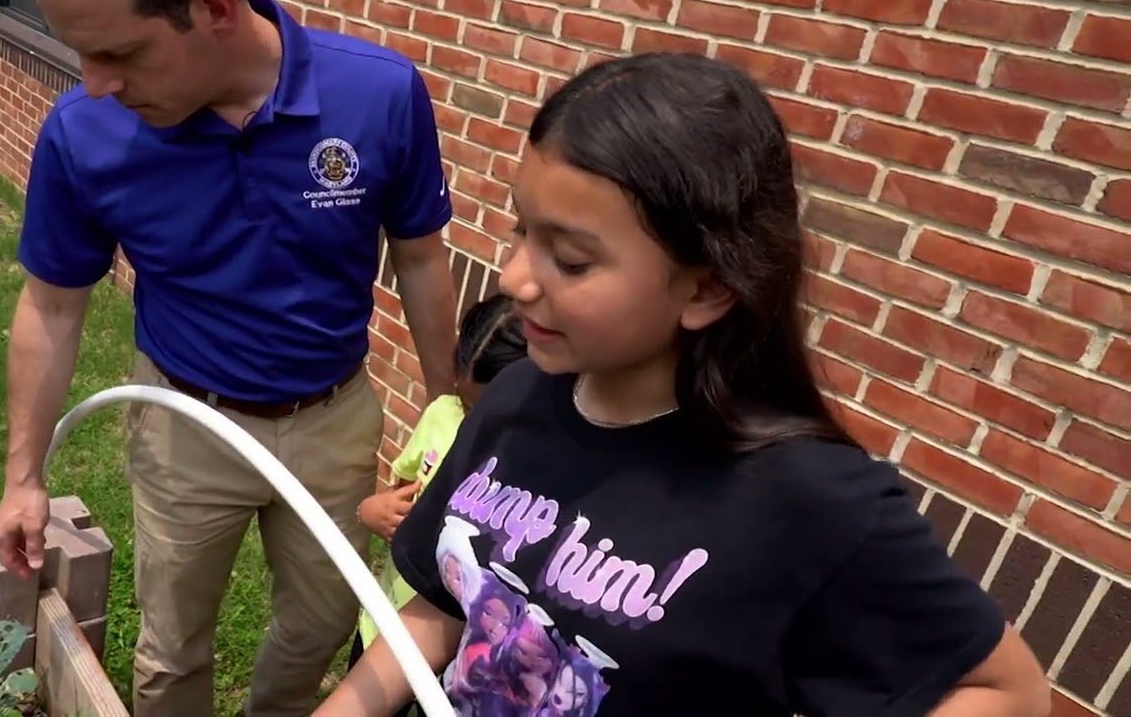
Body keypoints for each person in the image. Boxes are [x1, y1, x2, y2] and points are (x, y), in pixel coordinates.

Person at [313, 53, 1053, 716]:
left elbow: (1007, 691)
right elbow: (443, 608)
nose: (514, 280)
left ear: (706, 289)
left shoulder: (809, 499)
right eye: (520, 231)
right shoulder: (512, 401)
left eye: (569, 259)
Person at [0, 0, 459, 715]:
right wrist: (23, 476)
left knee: (320, 626)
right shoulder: (84, 132)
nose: (95, 81)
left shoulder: (378, 92)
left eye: (122, 54)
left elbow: (421, 259)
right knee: (173, 646)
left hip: (333, 420)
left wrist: (446, 409)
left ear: (213, 10)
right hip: (186, 427)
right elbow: (52, 306)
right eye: (81, 53)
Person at [349, 292, 527, 717]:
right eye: (464, 404)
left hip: (459, 649)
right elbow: (403, 489)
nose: (469, 422)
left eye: (484, 411)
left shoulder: (526, 466)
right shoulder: (441, 415)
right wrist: (372, 510)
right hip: (386, 621)